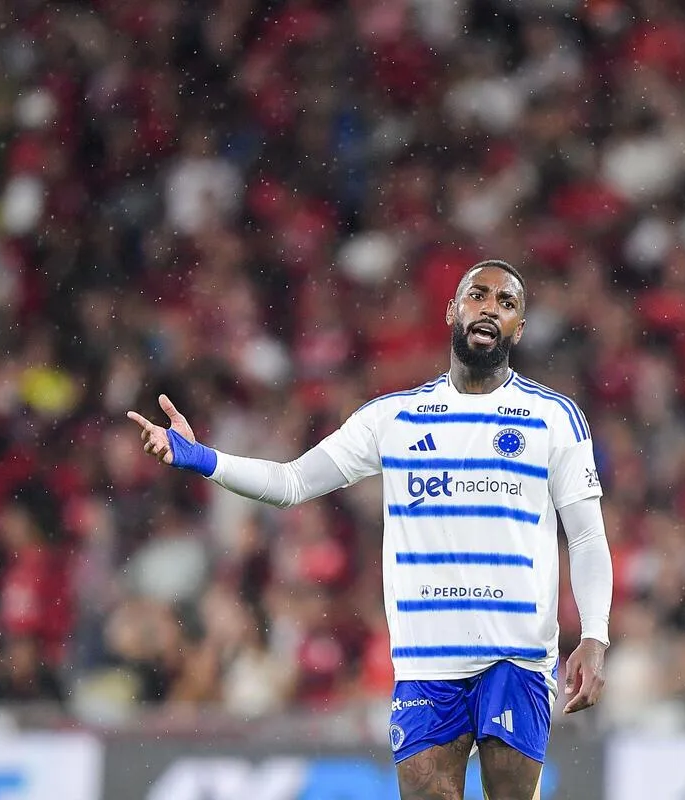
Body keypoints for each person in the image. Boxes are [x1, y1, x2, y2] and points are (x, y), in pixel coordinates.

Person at [127, 261, 612, 800]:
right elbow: (291, 483)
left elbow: (588, 536)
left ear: (519, 328)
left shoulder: (553, 418)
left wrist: (594, 635)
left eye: (507, 303)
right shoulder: (394, 419)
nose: (490, 309)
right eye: (479, 296)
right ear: (453, 310)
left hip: (517, 657)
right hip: (427, 660)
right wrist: (203, 459)